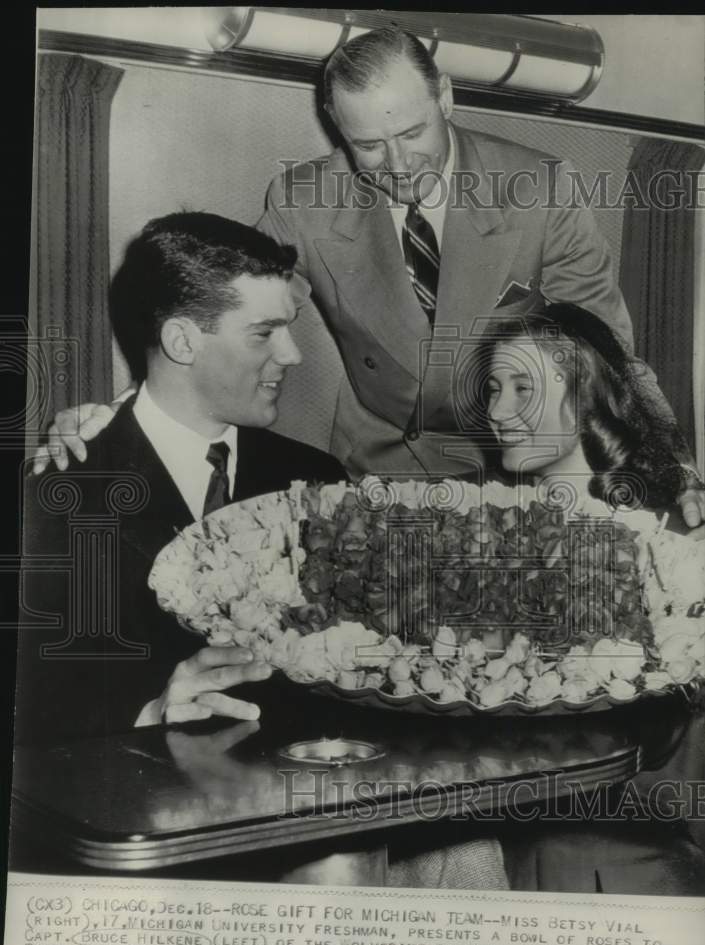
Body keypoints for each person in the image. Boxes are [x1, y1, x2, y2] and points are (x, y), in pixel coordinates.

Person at [32, 26, 705, 529]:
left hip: (505, 465)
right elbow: (230, 317)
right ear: (335, 126)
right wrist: (122, 418)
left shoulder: (540, 188)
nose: (397, 164)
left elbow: (607, 348)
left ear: (445, 96)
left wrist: (666, 460)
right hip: (373, 469)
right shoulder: (304, 200)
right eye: (368, 145)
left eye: (412, 133)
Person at [16, 212, 346, 743]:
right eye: (264, 333)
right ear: (182, 343)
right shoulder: (52, 501)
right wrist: (149, 713)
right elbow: (30, 716)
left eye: (288, 328)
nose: (293, 354)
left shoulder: (318, 480)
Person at [479, 301, 692, 511]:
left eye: (523, 389)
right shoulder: (482, 506)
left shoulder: (662, 536)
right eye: (494, 390)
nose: (495, 411)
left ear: (585, 398)